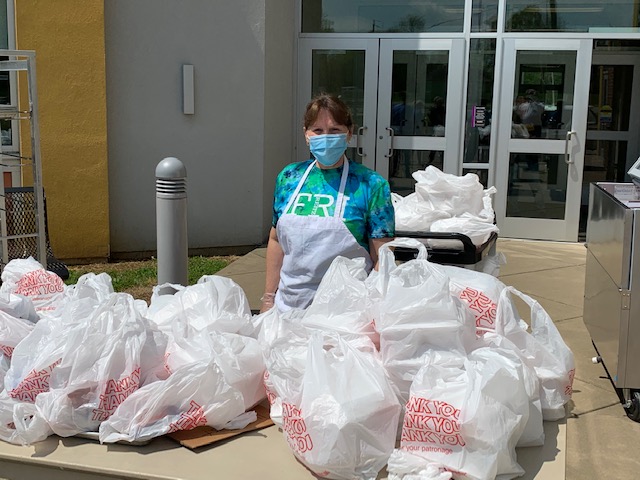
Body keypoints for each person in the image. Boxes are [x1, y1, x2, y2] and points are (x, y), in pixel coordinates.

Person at [261, 94, 395, 312]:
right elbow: (276, 240)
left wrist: (374, 309)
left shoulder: (371, 185)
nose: (325, 137)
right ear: (306, 134)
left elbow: (382, 256)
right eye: (317, 130)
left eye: (334, 130)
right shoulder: (289, 177)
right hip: (288, 309)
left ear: (349, 134)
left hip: (345, 314)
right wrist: (268, 298)